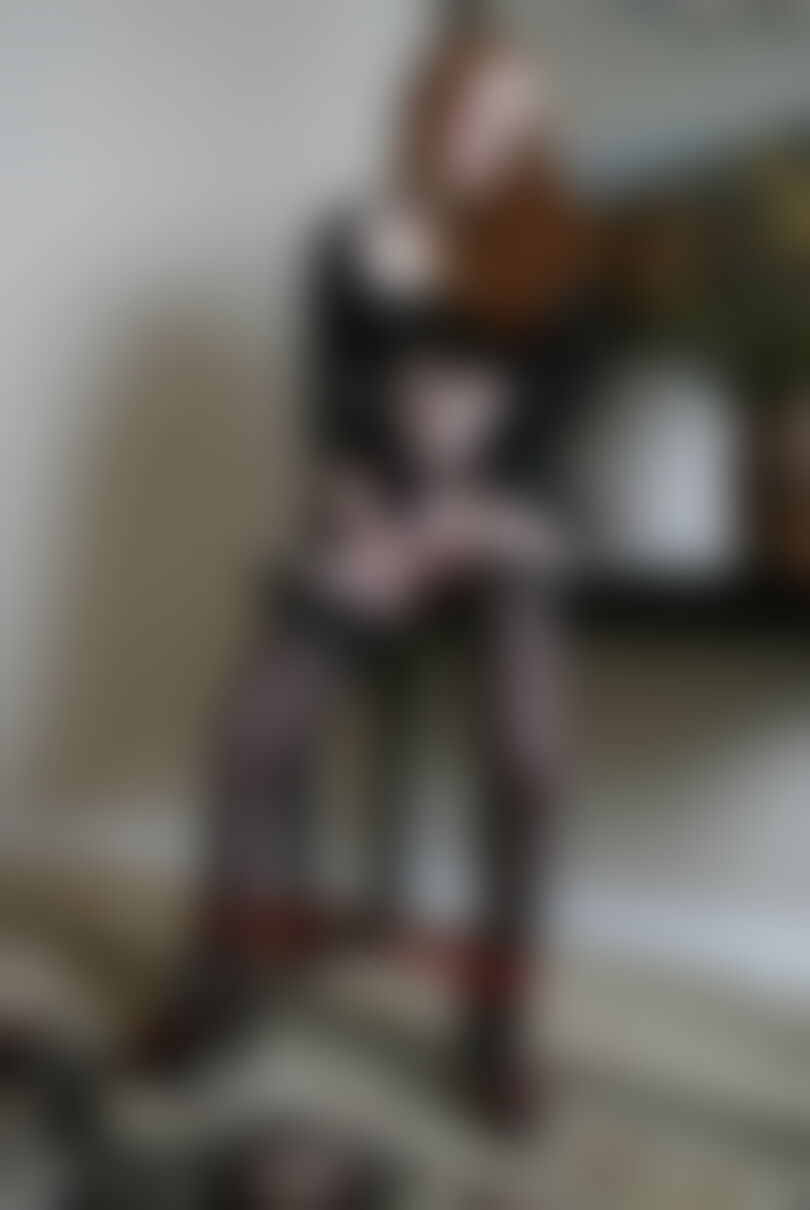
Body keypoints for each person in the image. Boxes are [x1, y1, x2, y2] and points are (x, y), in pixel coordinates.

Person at [135, 13, 609, 1136]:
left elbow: (552, 420)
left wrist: (470, 505)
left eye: (510, 121)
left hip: (501, 522)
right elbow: (333, 415)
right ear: (424, 114)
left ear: (534, 132)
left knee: (531, 755)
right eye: (467, 113)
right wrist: (368, 499)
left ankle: (498, 1021)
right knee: (247, 733)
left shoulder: (567, 252)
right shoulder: (346, 241)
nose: (485, 138)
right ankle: (222, 979)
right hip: (379, 517)